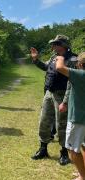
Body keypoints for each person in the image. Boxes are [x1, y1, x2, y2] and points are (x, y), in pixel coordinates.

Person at [30, 35, 77, 165]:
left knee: (61, 124)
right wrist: (35, 60)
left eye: (55, 44)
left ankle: (64, 153)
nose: (53, 46)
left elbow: (73, 82)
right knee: (44, 120)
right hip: (49, 94)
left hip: (62, 95)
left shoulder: (73, 59)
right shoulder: (53, 57)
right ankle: (43, 148)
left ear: (63, 45)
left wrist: (66, 101)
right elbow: (46, 68)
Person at [56, 52, 85, 180]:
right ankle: (82, 171)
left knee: (72, 149)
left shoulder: (81, 75)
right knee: (83, 146)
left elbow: (59, 67)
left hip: (78, 119)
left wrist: (60, 57)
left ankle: (83, 178)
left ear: (80, 64)